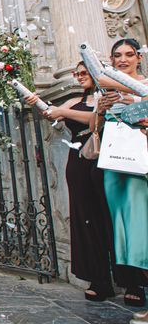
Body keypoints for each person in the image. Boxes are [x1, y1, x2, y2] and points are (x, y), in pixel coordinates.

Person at [26, 62, 119, 301]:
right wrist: (36, 103)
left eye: (82, 73)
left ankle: (131, 280)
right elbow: (51, 115)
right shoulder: (75, 99)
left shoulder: (109, 95)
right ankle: (98, 278)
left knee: (112, 216)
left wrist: (64, 113)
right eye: (76, 74)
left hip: (105, 155)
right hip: (79, 158)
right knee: (85, 218)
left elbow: (96, 119)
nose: (78, 77)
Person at [93, 38, 148, 309]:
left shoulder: (145, 85)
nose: (123, 59)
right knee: (121, 221)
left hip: (143, 158)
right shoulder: (103, 91)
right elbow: (95, 129)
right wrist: (101, 111)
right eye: (117, 55)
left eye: (129, 54)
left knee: (141, 218)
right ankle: (133, 281)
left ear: (139, 57)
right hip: (115, 161)